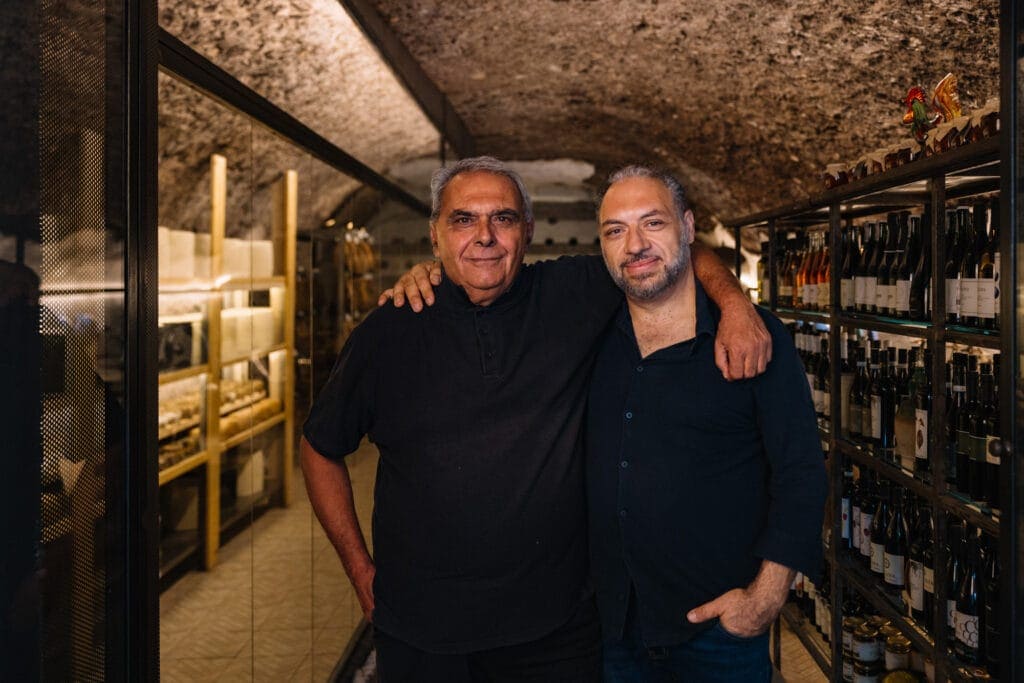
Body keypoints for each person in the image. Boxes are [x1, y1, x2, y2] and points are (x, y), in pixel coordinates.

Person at [301, 156, 770, 682]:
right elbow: (319, 449)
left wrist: (735, 305)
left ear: (526, 230)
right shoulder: (389, 331)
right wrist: (360, 571)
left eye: (502, 218)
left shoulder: (570, 294)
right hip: (422, 633)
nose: (484, 236)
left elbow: (673, 251)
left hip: (556, 634)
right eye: (463, 220)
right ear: (435, 236)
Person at [587, 165, 827, 682]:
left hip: (718, 636)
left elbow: (802, 473)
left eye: (653, 223)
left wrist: (762, 602)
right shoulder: (587, 334)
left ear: (689, 227)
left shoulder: (753, 338)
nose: (635, 244)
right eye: (615, 230)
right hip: (613, 632)